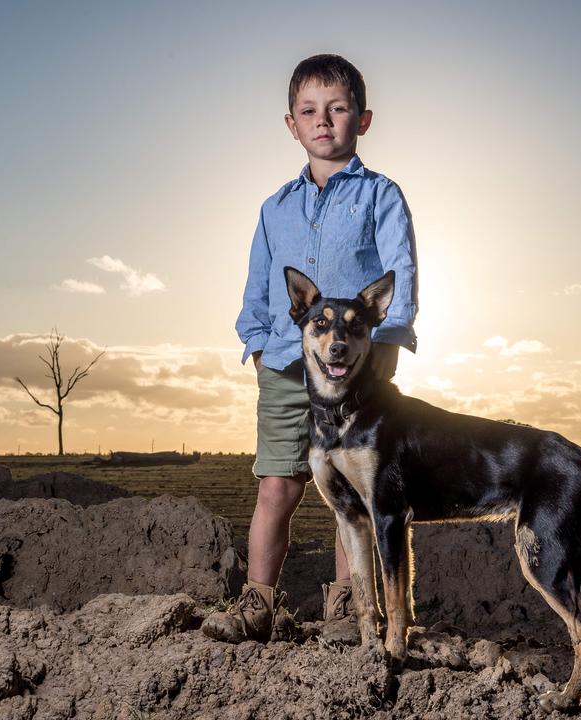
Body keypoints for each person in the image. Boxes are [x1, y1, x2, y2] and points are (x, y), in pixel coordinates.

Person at [202, 53, 419, 643]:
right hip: (284, 362)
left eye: (338, 108)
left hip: (356, 375)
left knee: (352, 490)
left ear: (363, 119)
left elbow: (400, 271)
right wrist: (255, 339)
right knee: (278, 484)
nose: (323, 121)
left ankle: (350, 606)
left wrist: (389, 341)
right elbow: (259, 280)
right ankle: (258, 603)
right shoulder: (275, 209)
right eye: (309, 111)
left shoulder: (381, 196)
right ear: (291, 124)